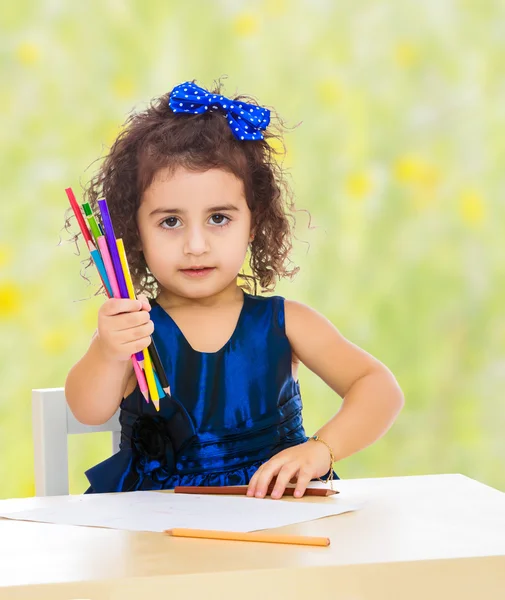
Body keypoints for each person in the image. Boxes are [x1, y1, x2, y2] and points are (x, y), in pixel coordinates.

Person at [65, 80, 404, 499]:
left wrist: (320, 450)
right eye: (170, 221)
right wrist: (107, 350)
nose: (196, 245)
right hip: (155, 527)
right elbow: (87, 409)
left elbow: (378, 387)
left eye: (219, 218)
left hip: (276, 513)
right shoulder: (135, 327)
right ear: (135, 232)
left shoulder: (285, 322)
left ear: (254, 222)